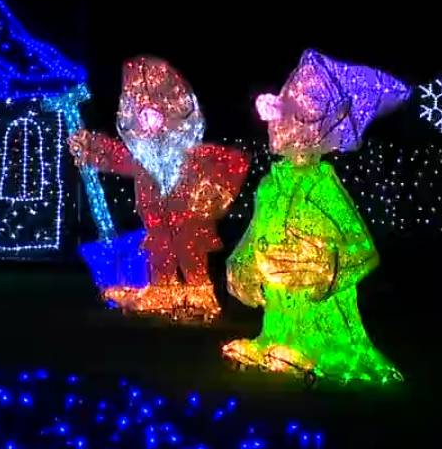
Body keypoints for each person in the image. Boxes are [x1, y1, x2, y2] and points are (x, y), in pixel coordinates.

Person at [223, 50, 407, 383]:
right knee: (279, 304)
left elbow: (364, 250)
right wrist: (241, 261)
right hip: (277, 289)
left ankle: (316, 350)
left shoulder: (323, 185)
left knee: (312, 304)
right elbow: (256, 227)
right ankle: (274, 340)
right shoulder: (270, 184)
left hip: (316, 289)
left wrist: (327, 266)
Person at [69, 57, 247, 320]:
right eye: (140, 115)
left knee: (190, 254)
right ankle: (163, 291)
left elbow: (234, 163)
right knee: (161, 252)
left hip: (188, 224)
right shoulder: (144, 160)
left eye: (151, 114)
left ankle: (199, 295)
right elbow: (117, 156)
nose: (147, 123)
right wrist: (91, 146)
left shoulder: (192, 156)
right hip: (158, 227)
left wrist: (213, 194)